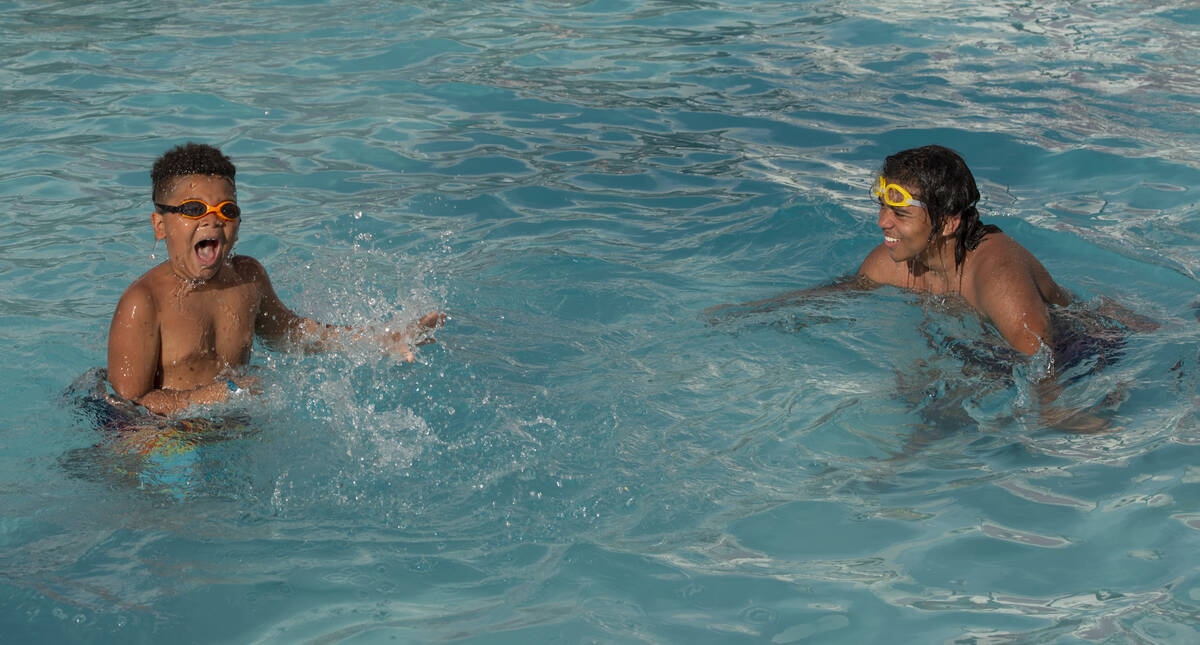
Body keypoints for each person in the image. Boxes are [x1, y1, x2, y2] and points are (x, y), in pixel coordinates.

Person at [107, 142, 444, 417]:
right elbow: (128, 403)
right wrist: (204, 398)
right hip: (165, 437)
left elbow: (295, 336)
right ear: (160, 225)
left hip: (231, 427)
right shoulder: (144, 303)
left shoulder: (248, 280)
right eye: (194, 209)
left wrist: (383, 340)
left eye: (227, 210)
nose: (213, 220)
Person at [712, 145, 1071, 356]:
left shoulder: (997, 273)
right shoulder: (892, 262)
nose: (883, 222)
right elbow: (836, 296)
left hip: (1079, 353)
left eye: (899, 214)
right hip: (984, 351)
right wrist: (751, 314)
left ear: (947, 223)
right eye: (882, 207)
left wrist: (1052, 418)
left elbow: (1040, 359)